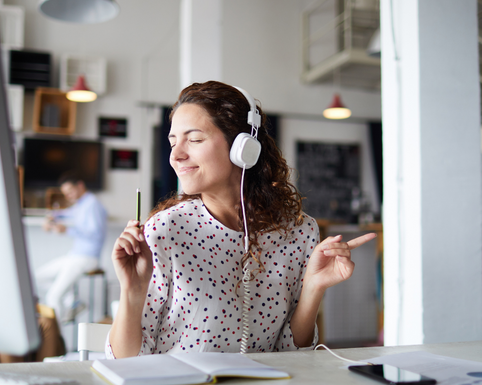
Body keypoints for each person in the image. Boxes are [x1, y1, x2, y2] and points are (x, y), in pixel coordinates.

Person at [107, 81, 376, 358]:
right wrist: (131, 291)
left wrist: (313, 288)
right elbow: (127, 362)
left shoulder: (300, 231)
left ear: (244, 147)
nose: (176, 155)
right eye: (173, 142)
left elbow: (292, 353)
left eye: (195, 139)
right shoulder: (166, 229)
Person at [36, 171, 107, 323]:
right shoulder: (81, 204)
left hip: (87, 258)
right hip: (74, 256)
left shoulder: (92, 203)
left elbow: (95, 234)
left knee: (53, 296)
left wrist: (67, 230)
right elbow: (68, 213)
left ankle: (55, 341)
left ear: (80, 185)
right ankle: (72, 301)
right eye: (65, 194)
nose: (68, 196)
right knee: (36, 278)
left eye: (70, 192)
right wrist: (52, 217)